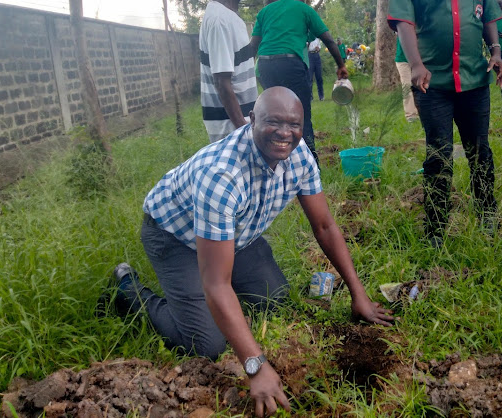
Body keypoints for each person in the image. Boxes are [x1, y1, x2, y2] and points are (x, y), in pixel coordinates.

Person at [108, 87, 393, 418]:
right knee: (207, 344)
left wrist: (359, 294)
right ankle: (127, 288)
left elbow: (326, 226)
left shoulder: (298, 153)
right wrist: (255, 366)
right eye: (273, 122)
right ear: (251, 120)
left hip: (237, 235)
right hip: (175, 237)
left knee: (275, 299)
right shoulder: (222, 174)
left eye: (294, 124)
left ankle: (211, 304)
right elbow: (216, 283)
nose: (285, 133)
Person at [388, 0, 502, 244]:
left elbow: (487, 14)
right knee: (438, 155)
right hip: (432, 84)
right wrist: (417, 65)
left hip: (473, 79)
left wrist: (496, 51)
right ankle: (436, 230)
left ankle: (487, 214)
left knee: (480, 151)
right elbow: (404, 23)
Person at [250, 0, 348, 160]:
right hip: (290, 64)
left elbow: (253, 46)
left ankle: (273, 161)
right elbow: (328, 40)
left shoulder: (265, 11)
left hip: (265, 66)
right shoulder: (303, 8)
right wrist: (341, 66)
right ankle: (310, 166)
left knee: (272, 115)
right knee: (300, 114)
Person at [200, 0, 269, 142]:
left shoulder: (230, 17)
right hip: (231, 129)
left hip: (241, 122)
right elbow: (222, 84)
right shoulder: (219, 20)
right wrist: (244, 131)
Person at [394, 36, 420, 122]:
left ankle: (422, 111)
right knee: (407, 86)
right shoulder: (402, 23)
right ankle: (410, 115)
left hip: (419, 59)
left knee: (421, 85)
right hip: (403, 60)